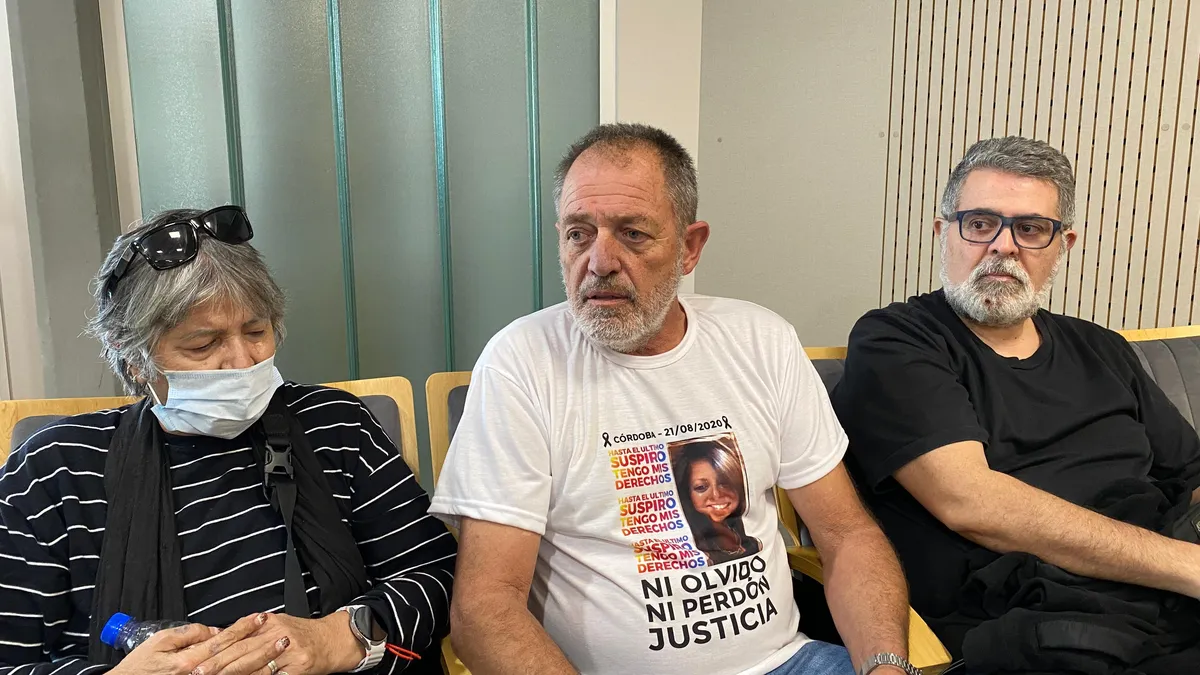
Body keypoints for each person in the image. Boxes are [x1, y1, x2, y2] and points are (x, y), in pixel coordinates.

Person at [430, 123, 916, 675]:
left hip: (788, 662)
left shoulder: (761, 340)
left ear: (689, 247)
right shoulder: (522, 362)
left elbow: (846, 534)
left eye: (633, 233)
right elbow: (485, 607)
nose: (599, 262)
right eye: (579, 234)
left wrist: (885, 665)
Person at [0, 206, 456, 675]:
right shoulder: (55, 472)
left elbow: (439, 575)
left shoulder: (334, 426)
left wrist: (343, 636)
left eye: (256, 331)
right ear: (134, 357)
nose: (241, 361)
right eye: (203, 345)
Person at [832, 136, 1200, 673]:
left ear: (1062, 246)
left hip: (1166, 597)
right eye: (980, 223)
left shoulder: (1101, 348)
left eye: (1030, 229)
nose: (1003, 246)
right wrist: (1186, 566)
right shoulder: (896, 341)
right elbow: (971, 502)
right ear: (943, 234)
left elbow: (1190, 472)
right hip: (1038, 619)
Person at [670, 437, 762, 565]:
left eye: (724, 483)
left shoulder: (749, 535)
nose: (716, 495)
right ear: (686, 493)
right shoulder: (692, 548)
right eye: (701, 487)